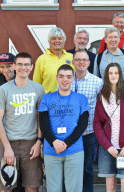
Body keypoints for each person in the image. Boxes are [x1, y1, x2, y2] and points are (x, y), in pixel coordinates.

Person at [0, 52, 45, 192]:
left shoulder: (38, 89)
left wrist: (39, 141)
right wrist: (7, 147)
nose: (23, 67)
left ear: (32, 67)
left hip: (31, 143)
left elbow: (41, 117)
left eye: (27, 64)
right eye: (20, 64)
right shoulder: (4, 89)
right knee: (6, 186)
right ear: (14, 66)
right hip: (9, 142)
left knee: (32, 186)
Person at [38, 64, 89, 192]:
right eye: (61, 76)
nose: (64, 80)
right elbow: (43, 123)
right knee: (53, 189)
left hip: (74, 150)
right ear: (57, 78)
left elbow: (82, 125)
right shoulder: (46, 98)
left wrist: (66, 143)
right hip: (51, 150)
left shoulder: (81, 99)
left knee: (74, 189)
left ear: (73, 78)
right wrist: (54, 142)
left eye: (68, 77)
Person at [93, 63, 124, 192]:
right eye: (110, 73)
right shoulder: (102, 95)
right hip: (107, 148)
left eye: (116, 73)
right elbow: (97, 124)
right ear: (106, 76)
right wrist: (107, 146)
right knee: (111, 187)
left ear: (120, 74)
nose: (113, 76)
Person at [71, 50, 103, 192]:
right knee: (70, 169)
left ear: (89, 63)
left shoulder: (97, 82)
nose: (81, 62)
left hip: (89, 133)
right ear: (73, 62)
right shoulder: (66, 80)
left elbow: (103, 107)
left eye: (84, 60)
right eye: (78, 60)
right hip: (69, 134)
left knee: (87, 169)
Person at [33, 27, 74, 93]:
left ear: (64, 41)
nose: (57, 41)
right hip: (48, 100)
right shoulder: (41, 59)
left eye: (60, 38)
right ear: (49, 41)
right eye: (53, 39)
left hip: (68, 98)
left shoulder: (71, 57)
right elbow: (36, 84)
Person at [0, 53, 15, 146]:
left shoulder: (24, 81)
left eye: (8, 66)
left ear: (15, 66)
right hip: (3, 132)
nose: (5, 70)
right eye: (2, 67)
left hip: (23, 131)